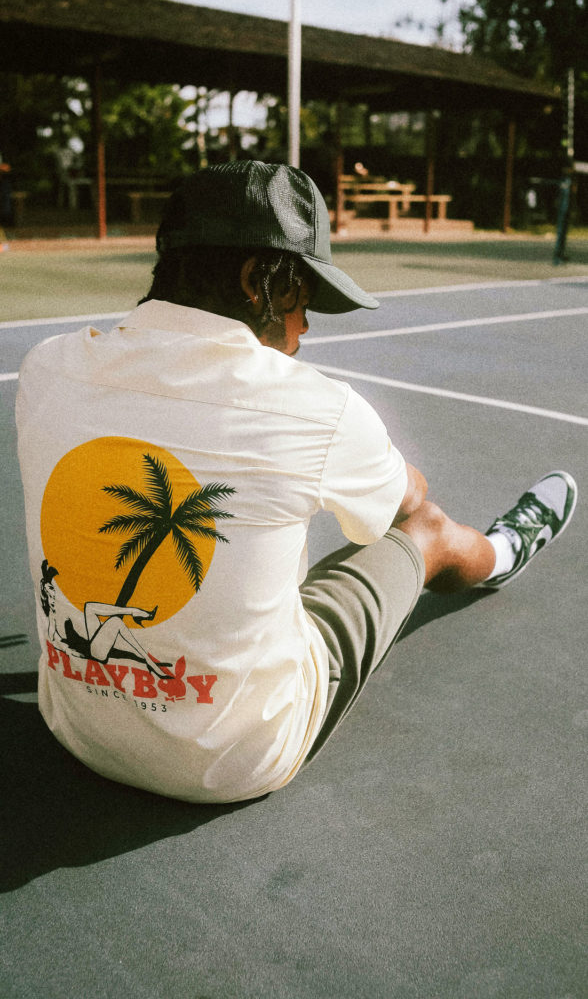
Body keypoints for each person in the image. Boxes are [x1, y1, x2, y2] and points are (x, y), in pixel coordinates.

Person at [17, 160, 577, 804]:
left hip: (76, 730)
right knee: (425, 528)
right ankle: (504, 551)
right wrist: (379, 465)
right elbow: (410, 498)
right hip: (233, 763)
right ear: (256, 280)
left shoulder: (47, 366)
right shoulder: (315, 406)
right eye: (302, 300)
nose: (305, 328)